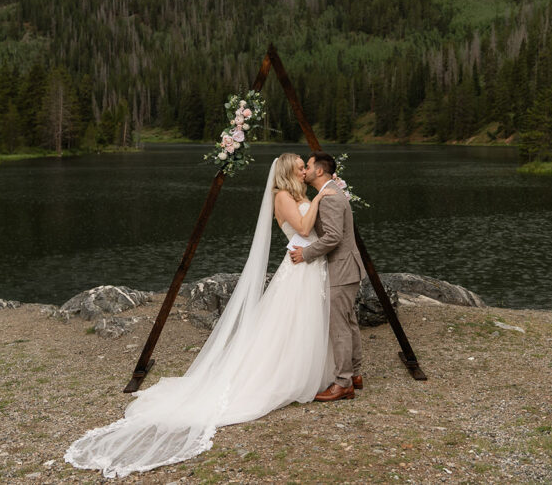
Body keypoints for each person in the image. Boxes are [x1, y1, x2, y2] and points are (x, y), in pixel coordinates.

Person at [64, 153, 337, 478]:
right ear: (288, 172)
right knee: (288, 324)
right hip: (298, 268)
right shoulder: (282, 197)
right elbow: (304, 227)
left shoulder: (298, 195)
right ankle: (285, 376)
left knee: (301, 324)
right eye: (300, 167)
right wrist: (324, 194)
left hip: (309, 265)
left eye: (307, 167)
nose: (306, 170)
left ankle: (308, 369)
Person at [290, 151, 366, 402]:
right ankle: (355, 373)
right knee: (349, 321)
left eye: (308, 166)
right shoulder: (329, 192)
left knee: (339, 325)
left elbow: (333, 237)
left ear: (319, 171)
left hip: (342, 268)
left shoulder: (331, 197)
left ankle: (343, 383)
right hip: (347, 267)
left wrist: (307, 253)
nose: (305, 170)